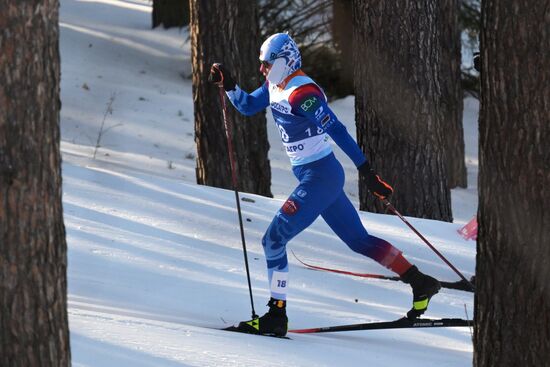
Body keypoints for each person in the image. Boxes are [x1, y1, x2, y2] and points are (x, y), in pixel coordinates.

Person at [209, 33, 441, 336]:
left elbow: (339, 130)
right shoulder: (275, 85)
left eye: (267, 64)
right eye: (261, 64)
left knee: (273, 241)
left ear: (283, 61)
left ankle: (276, 316)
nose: (262, 70)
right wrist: (229, 85)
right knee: (359, 241)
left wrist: (367, 173)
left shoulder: (301, 93)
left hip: (320, 177)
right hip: (317, 176)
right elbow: (249, 106)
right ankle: (420, 282)